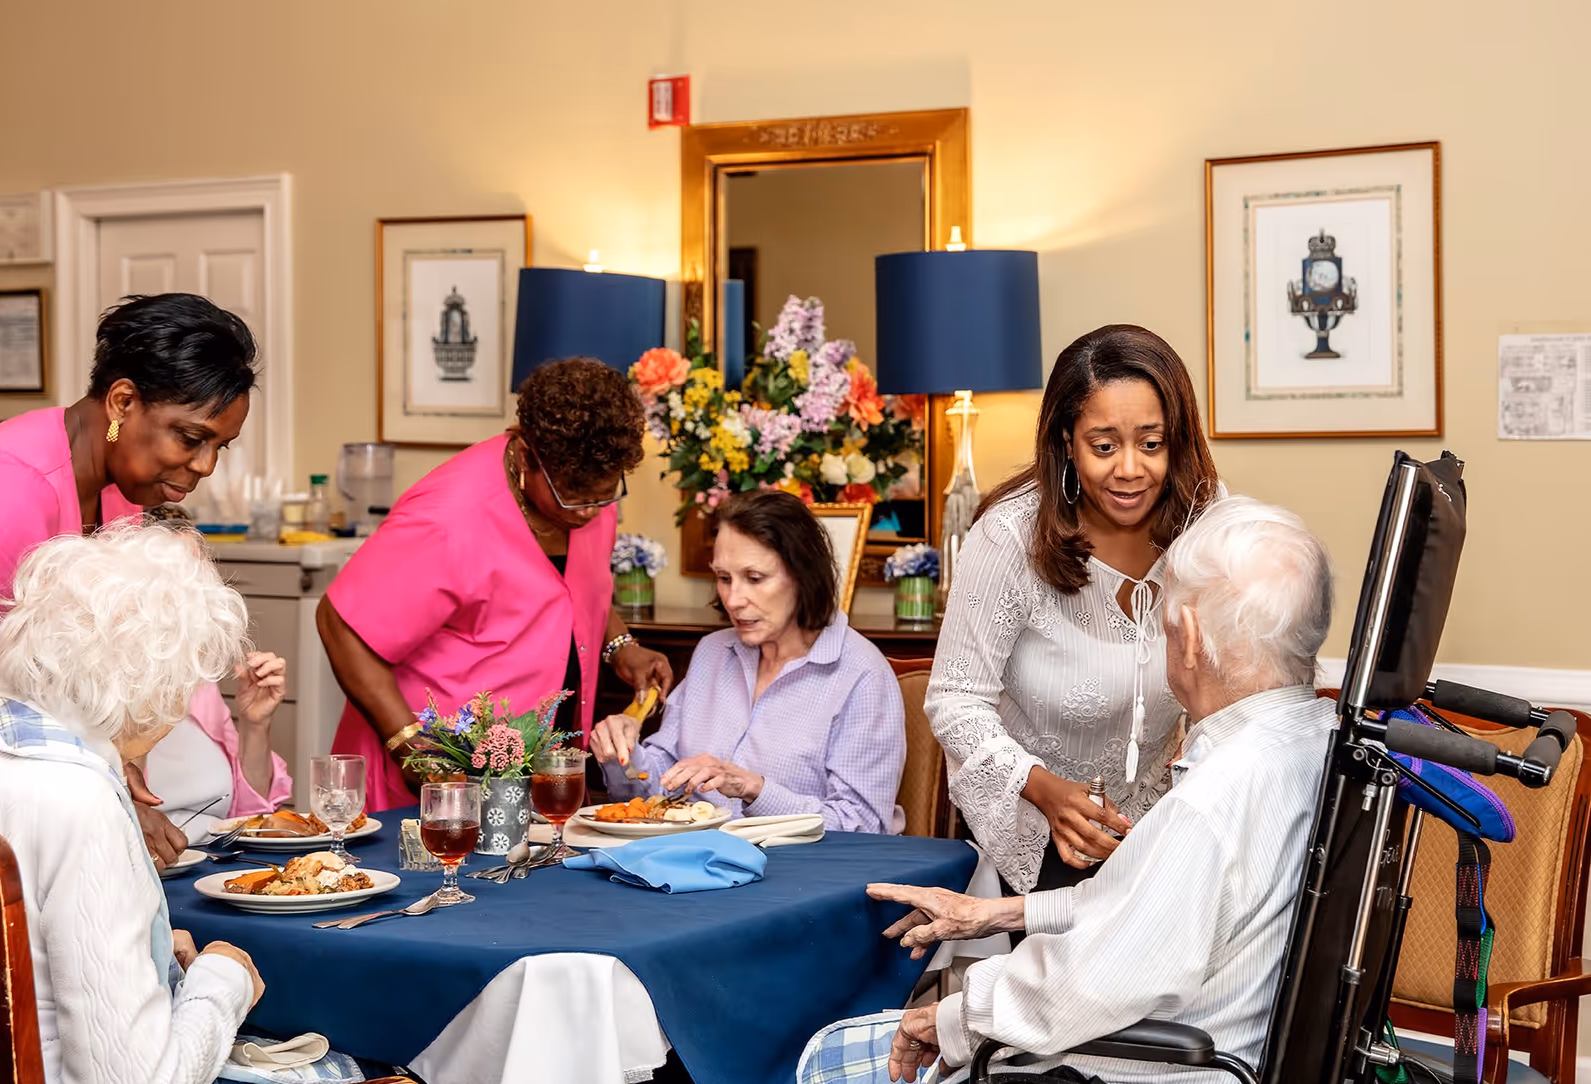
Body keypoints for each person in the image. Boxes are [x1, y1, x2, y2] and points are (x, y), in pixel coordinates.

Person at [797, 495, 1335, 1084]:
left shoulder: (1207, 803)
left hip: (1142, 1071)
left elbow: (1083, 989)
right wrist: (995, 913)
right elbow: (1142, 908)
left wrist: (954, 1017)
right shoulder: (1315, 745)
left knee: (831, 1064)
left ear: (1187, 633)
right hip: (1230, 1052)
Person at [927, 324, 1219, 894]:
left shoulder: (1205, 523)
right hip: (1039, 834)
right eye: (1104, 446)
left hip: (1164, 830)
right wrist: (1043, 789)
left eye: (1151, 444)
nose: (1130, 468)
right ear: (1067, 439)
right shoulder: (1008, 537)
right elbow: (954, 700)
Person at [319, 357, 674, 811]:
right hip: (434, 788)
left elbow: (570, 585)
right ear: (526, 456)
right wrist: (414, 751)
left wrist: (620, 646)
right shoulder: (446, 518)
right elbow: (340, 624)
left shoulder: (586, 487)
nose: (589, 511)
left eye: (604, 495)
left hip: (533, 776)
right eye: (573, 495)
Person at [0, 292, 258, 872]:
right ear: (122, 401)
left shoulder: (119, 490)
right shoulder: (10, 492)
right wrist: (94, 789)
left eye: (220, 446)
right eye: (190, 438)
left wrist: (117, 769)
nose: (206, 466)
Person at [0, 525, 265, 1084]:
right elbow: (138, 1081)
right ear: (152, 686)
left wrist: (147, 950)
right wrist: (224, 980)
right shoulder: (80, 800)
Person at [590, 490, 906, 834]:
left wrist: (752, 788)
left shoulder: (861, 674)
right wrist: (622, 752)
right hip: (694, 868)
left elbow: (863, 828)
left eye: (754, 578)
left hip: (796, 878)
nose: (733, 600)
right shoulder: (712, 652)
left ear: (804, 575)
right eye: (724, 579)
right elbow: (658, 790)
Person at [138, 509, 293, 840]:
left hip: (217, 864)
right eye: (170, 575)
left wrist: (255, 723)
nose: (192, 592)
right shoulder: (98, 690)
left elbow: (248, 815)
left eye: (198, 575)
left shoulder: (198, 683)